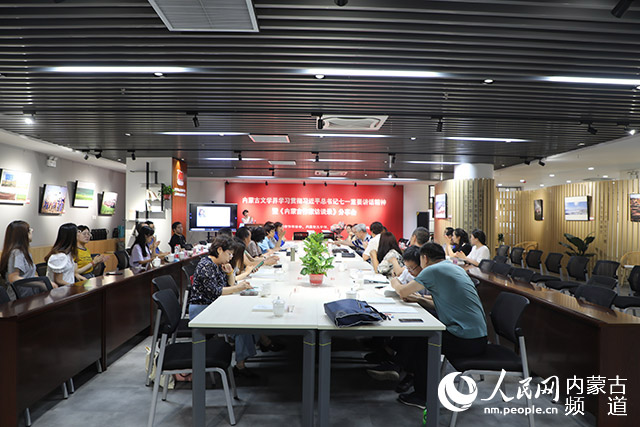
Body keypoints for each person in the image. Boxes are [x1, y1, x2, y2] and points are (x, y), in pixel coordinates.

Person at [390, 243, 488, 409]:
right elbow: (444, 304)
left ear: (424, 258)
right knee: (418, 333)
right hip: (477, 336)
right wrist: (419, 299)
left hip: (466, 339)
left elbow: (402, 291)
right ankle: (404, 370)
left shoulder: (432, 270)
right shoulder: (454, 267)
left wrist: (394, 281)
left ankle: (422, 395)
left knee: (422, 340)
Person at [188, 236, 261, 377]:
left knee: (246, 320)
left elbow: (229, 285)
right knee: (242, 326)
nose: (231, 257)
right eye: (229, 254)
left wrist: (229, 273)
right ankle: (240, 366)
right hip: (202, 310)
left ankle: (242, 360)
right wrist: (238, 288)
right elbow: (216, 291)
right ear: (219, 250)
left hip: (214, 306)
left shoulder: (217, 264)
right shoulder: (206, 265)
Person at [45, 223, 83, 287]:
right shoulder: (60, 256)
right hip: (61, 290)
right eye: (77, 232)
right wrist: (75, 287)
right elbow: (58, 280)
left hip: (68, 288)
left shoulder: (69, 253)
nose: (79, 234)